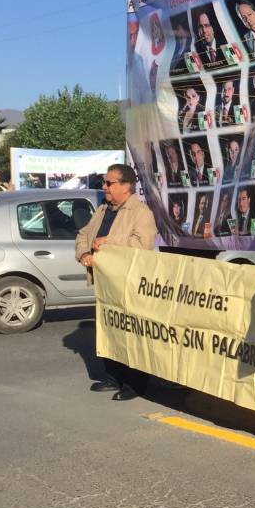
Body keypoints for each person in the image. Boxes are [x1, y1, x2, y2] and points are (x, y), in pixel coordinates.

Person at [75, 164, 158, 401]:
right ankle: (113, 376)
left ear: (125, 186)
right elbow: (83, 235)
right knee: (109, 332)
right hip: (105, 282)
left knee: (130, 334)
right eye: (104, 182)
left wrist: (108, 242)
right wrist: (84, 255)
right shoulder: (102, 210)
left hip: (129, 283)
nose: (104, 187)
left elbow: (142, 245)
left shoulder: (141, 213)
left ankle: (136, 384)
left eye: (109, 183)